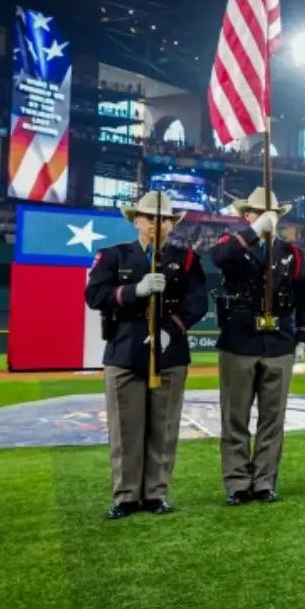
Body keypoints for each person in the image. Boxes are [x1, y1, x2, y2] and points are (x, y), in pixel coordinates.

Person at [84, 191, 209, 519]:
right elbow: (94, 295)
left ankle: (156, 493)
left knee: (164, 428)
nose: (157, 224)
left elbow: (197, 301)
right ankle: (126, 496)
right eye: (150, 218)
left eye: (165, 219)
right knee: (125, 428)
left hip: (170, 352)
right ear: (137, 220)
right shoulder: (113, 256)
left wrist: (170, 328)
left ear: (172, 224)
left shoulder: (186, 260)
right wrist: (133, 291)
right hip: (124, 350)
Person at [210, 187, 305, 506]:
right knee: (235, 417)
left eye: (272, 214)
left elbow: (303, 297)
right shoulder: (233, 243)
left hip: (279, 342)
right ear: (247, 216)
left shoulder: (291, 253)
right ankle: (237, 482)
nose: (268, 218)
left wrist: (302, 337)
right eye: (258, 213)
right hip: (240, 339)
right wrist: (254, 233)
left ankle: (265, 481)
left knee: (273, 418)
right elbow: (217, 259)